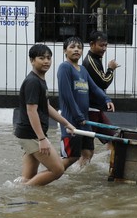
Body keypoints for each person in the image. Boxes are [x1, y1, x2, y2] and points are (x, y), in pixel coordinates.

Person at [14, 44, 76, 186]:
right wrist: (42, 139)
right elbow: (31, 111)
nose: (46, 61)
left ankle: (21, 198)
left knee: (28, 177)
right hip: (32, 135)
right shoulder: (33, 82)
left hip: (31, 134)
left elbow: (46, 107)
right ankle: (21, 190)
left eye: (48, 58)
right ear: (32, 60)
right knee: (57, 170)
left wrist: (66, 123)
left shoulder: (40, 80)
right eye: (41, 58)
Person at [57, 36, 115, 169]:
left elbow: (94, 88)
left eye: (79, 47)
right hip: (71, 121)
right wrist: (77, 116)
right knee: (70, 157)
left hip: (84, 120)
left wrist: (106, 99)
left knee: (88, 152)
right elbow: (67, 96)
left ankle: (76, 178)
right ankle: (53, 175)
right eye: (72, 47)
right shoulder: (64, 68)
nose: (76, 50)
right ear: (65, 51)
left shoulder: (82, 70)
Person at [82, 30, 120, 163]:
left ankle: (109, 166)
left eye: (105, 45)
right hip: (91, 109)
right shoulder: (90, 61)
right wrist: (111, 69)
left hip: (97, 109)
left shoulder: (96, 59)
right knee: (87, 152)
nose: (104, 48)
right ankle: (76, 173)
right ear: (92, 44)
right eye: (101, 45)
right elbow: (104, 81)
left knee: (113, 139)